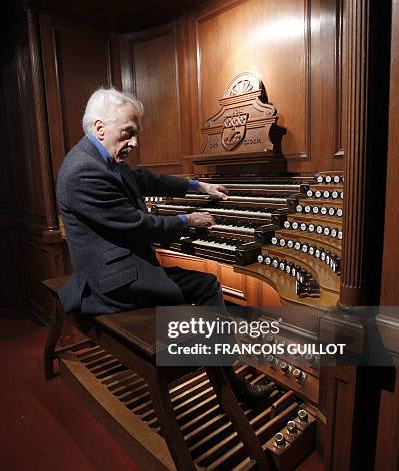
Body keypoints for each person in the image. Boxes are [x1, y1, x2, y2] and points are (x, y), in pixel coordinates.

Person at [57, 87, 272, 403]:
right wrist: (188, 221)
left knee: (196, 288)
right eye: (128, 133)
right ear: (100, 127)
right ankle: (230, 385)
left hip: (116, 264)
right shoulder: (83, 171)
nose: (134, 143)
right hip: (113, 283)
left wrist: (198, 185)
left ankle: (217, 357)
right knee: (208, 285)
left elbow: (144, 180)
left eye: (136, 133)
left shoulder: (98, 157)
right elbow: (138, 225)